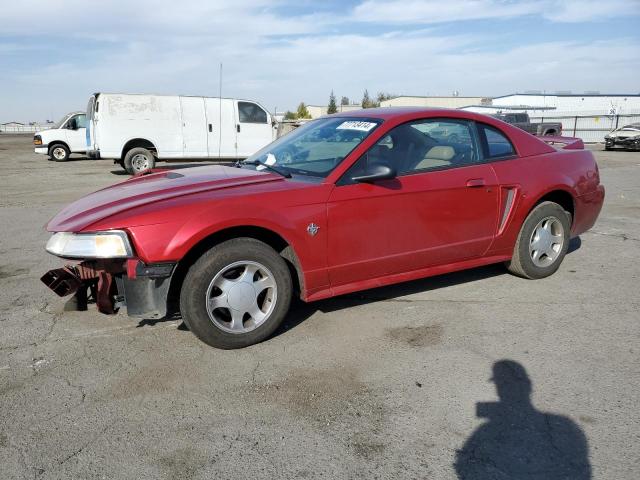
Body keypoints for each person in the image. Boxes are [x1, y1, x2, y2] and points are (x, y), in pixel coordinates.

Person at [454, 360, 591, 479]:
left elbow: (461, 466)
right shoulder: (564, 424)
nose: (501, 388)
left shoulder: (486, 428)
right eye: (501, 384)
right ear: (529, 386)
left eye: (502, 384)